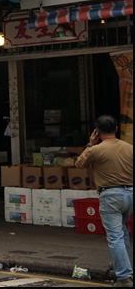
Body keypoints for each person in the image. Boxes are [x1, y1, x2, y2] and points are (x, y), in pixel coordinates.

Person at [76, 115, 133, 288]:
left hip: (110, 195)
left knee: (115, 236)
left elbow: (79, 163)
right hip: (130, 193)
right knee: (123, 232)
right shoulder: (129, 148)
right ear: (116, 129)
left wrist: (90, 144)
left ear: (97, 132)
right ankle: (124, 267)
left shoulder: (96, 149)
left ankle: (124, 277)